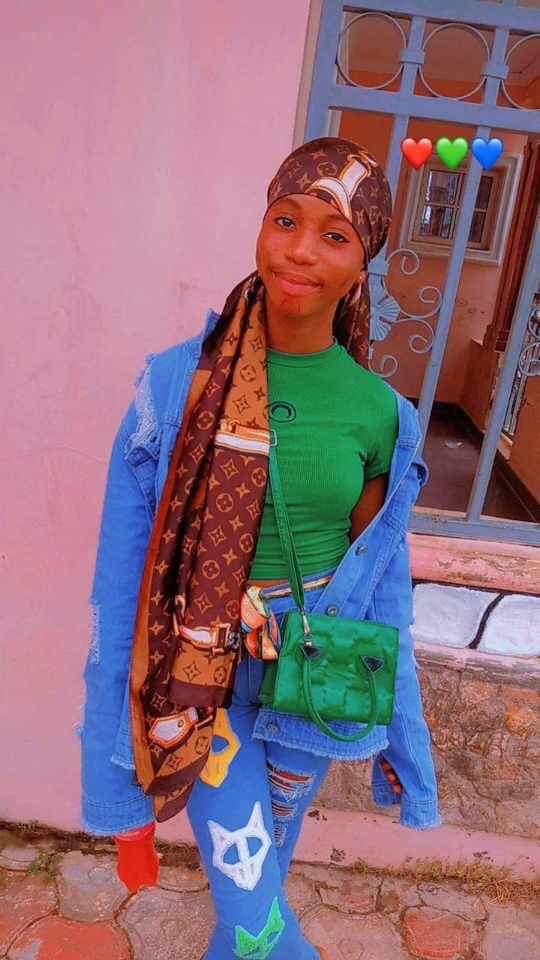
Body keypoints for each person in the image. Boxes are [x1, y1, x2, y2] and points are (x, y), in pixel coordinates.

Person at [79, 136, 441, 960]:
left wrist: (401, 737)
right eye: (285, 220)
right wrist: (117, 786)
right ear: (263, 225)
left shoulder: (379, 412)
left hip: (308, 677)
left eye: (334, 235)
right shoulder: (177, 384)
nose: (301, 250)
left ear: (361, 267)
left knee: (258, 883)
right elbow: (119, 582)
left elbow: (381, 587)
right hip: (197, 675)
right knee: (258, 917)